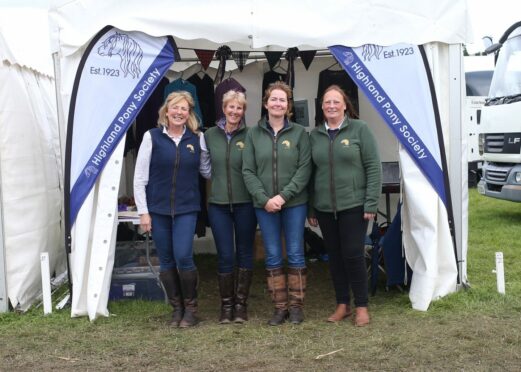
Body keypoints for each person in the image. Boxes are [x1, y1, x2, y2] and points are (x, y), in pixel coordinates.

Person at [134, 91, 211, 328]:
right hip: (158, 209)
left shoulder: (197, 139)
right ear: (166, 111)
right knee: (166, 260)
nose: (179, 113)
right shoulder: (152, 137)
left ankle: (191, 309)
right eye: (175, 108)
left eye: (184, 109)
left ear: (189, 113)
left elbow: (207, 171)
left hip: (187, 208)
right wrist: (143, 211)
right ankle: (176, 309)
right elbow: (139, 177)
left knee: (183, 256)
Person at [308, 85, 381, 326]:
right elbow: (310, 173)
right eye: (327, 102)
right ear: (321, 106)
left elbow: (373, 166)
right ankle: (342, 304)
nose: (331, 106)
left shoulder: (360, 130)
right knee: (335, 257)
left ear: (345, 105)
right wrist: (311, 207)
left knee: (353, 255)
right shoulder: (315, 136)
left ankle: (361, 306)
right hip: (325, 209)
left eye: (336, 102)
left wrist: (371, 201)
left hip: (354, 205)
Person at [242, 81, 311, 325]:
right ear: (265, 103)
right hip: (264, 205)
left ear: (288, 105)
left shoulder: (300, 133)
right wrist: (264, 199)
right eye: (274, 99)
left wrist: (283, 196)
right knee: (272, 255)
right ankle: (280, 307)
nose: (278, 103)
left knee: (294, 252)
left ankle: (296, 307)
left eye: (283, 100)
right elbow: (247, 171)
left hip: (294, 203)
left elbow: (304, 169)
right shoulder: (253, 133)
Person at [204, 90, 257, 324]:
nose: (235, 111)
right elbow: (204, 166)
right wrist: (216, 182)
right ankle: (226, 307)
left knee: (245, 251)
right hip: (218, 204)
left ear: (244, 111)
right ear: (223, 109)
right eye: (231, 107)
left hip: (246, 202)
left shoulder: (251, 135)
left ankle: (241, 305)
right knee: (225, 254)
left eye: (239, 108)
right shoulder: (209, 135)